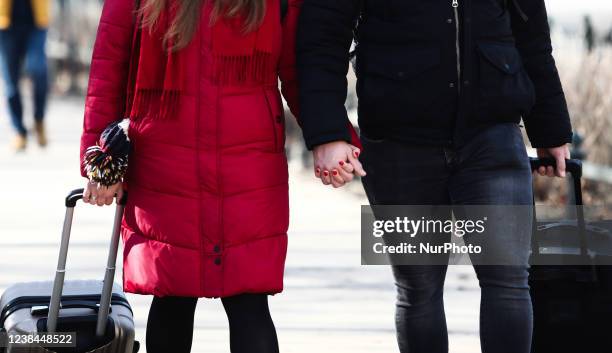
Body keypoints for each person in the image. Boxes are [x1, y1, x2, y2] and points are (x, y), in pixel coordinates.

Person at [78, 0, 361, 352]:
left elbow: (297, 68)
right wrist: (101, 163)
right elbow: (109, 69)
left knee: (238, 303)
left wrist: (331, 137)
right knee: (181, 298)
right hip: (170, 166)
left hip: (241, 166)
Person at [297, 1, 572, 353]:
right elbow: (322, 37)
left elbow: (532, 35)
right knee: (419, 287)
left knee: (508, 280)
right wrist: (329, 134)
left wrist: (550, 129)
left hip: (492, 137)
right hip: (399, 144)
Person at [0, 0, 50, 151]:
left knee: (38, 69)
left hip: (36, 21)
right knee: (11, 81)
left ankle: (39, 119)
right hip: (5, 23)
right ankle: (19, 131)